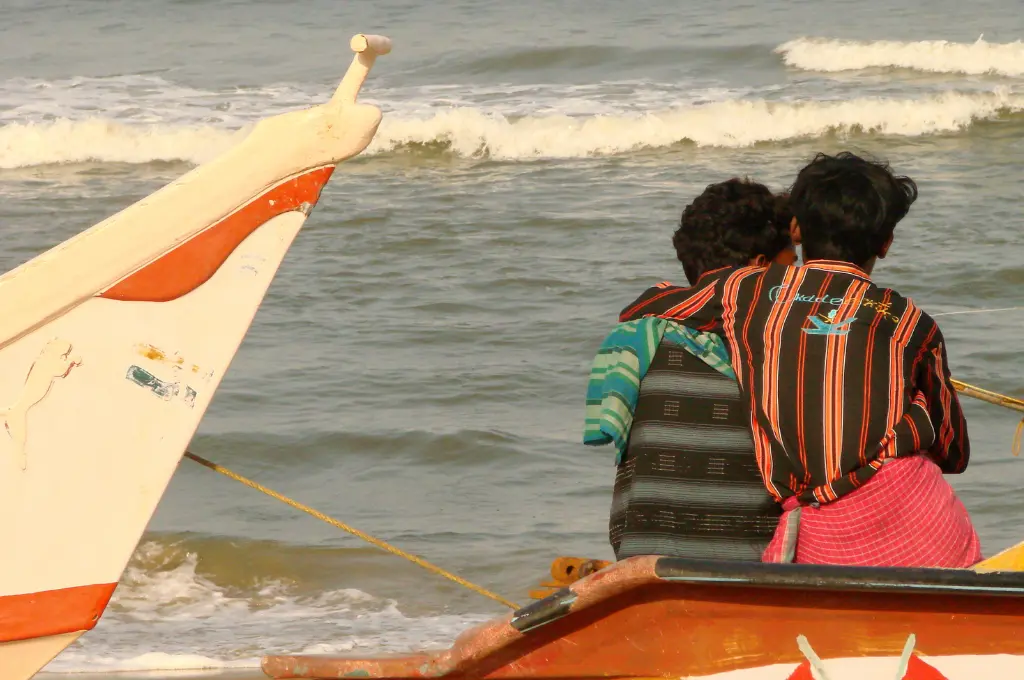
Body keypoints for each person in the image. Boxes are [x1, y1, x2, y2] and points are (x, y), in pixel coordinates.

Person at [617, 152, 981, 568]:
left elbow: (647, 306)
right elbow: (954, 451)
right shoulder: (912, 322)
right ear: (886, 243)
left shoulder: (746, 292)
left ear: (796, 228)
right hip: (924, 522)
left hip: (825, 531)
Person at [585, 178, 796, 561]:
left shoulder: (641, 335)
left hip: (643, 558)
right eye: (792, 265)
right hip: (754, 565)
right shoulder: (783, 350)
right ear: (760, 268)